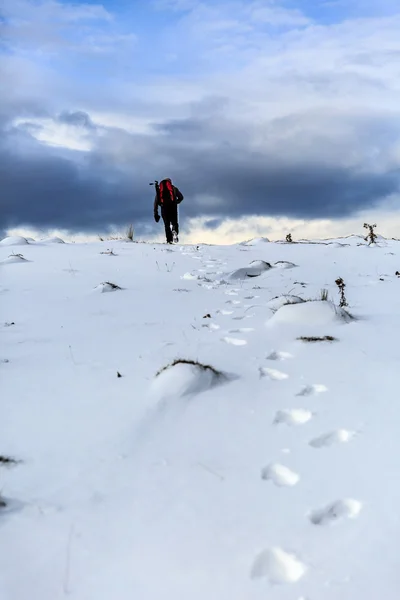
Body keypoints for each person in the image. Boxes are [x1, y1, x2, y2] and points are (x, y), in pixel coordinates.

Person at [154, 178, 184, 243]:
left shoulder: (160, 191)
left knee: (166, 225)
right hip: (173, 207)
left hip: (164, 208)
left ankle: (169, 240)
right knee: (174, 223)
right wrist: (176, 202)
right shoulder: (174, 189)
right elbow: (181, 197)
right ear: (170, 182)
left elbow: (156, 202)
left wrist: (155, 213)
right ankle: (174, 230)